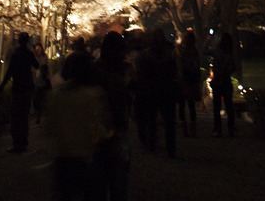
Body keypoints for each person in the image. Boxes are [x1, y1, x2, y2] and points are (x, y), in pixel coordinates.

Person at [45, 47, 113, 201]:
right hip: (88, 159)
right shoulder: (94, 95)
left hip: (63, 160)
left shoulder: (55, 96)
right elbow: (101, 130)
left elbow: (48, 129)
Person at [94, 31, 133, 201]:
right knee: (118, 184)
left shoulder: (94, 70)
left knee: (97, 184)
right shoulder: (126, 73)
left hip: (96, 130)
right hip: (119, 129)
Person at [139, 27, 178, 157]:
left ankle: (152, 144)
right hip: (166, 88)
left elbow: (142, 72)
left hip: (152, 89)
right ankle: (170, 147)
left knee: (152, 118)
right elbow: (175, 70)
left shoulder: (146, 54)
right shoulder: (170, 52)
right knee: (169, 120)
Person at [1, 31, 40, 153]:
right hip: (27, 87)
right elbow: (37, 65)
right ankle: (23, 141)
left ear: (18, 41)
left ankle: (17, 143)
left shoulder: (16, 53)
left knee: (15, 116)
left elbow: (10, 71)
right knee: (23, 116)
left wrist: (2, 85)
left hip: (17, 87)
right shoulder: (28, 53)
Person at [176, 28, 203, 137]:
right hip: (189, 79)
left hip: (185, 79)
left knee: (184, 105)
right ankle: (191, 128)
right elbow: (196, 66)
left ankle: (186, 128)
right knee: (188, 105)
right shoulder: (193, 51)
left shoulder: (180, 50)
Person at [210, 32, 236, 138]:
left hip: (217, 81)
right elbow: (234, 67)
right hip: (226, 80)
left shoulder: (217, 52)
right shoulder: (230, 54)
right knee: (229, 105)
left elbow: (205, 50)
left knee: (217, 106)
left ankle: (217, 128)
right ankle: (231, 128)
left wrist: (209, 38)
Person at [33, 41, 52, 124]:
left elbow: (48, 68)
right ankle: (38, 113)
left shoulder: (44, 57)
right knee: (36, 99)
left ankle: (39, 115)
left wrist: (48, 76)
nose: (38, 50)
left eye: (39, 49)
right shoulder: (33, 57)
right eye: (36, 49)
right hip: (36, 80)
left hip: (43, 80)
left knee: (41, 98)